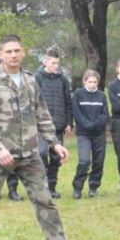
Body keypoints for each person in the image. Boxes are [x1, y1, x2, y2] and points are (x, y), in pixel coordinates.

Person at [0, 35, 82, 240]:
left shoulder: (31, 80)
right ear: (0, 54)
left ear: (23, 52)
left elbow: (41, 113)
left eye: (17, 51)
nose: (13, 55)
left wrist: (54, 142)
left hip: (29, 153)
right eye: (8, 51)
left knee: (45, 200)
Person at [34, 48, 74, 199]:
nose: (56, 66)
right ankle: (42, 187)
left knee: (56, 157)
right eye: (53, 63)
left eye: (57, 63)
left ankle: (52, 187)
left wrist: (69, 122)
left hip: (58, 124)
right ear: (45, 62)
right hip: (41, 126)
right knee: (42, 153)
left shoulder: (63, 79)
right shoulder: (37, 78)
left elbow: (67, 102)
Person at [71, 70, 108, 199]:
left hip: (99, 133)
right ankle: (77, 187)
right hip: (83, 133)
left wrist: (94, 124)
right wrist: (86, 124)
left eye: (95, 82)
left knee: (98, 162)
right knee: (84, 161)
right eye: (90, 81)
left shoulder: (101, 96)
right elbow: (77, 113)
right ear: (85, 81)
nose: (92, 84)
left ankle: (93, 186)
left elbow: (104, 115)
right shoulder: (78, 94)